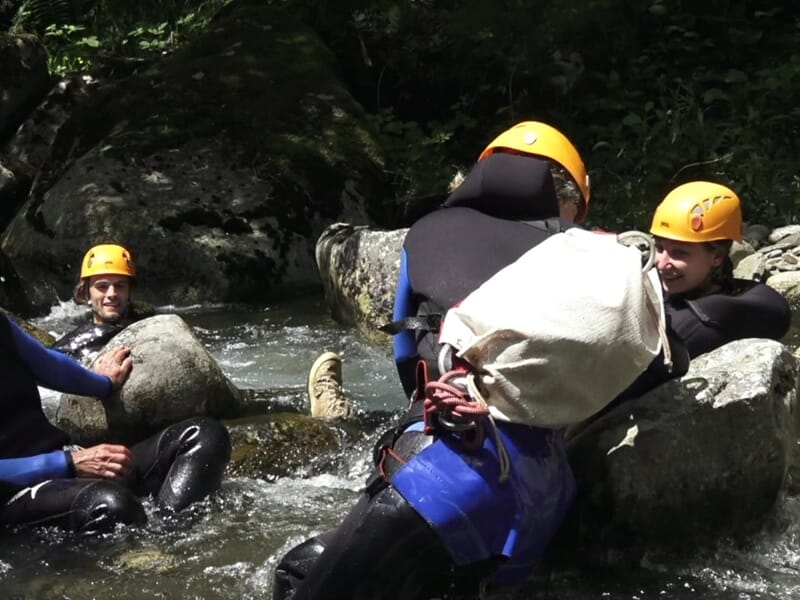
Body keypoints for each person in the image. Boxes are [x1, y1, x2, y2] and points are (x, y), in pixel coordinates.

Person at [273, 121, 684, 599]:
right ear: (567, 198)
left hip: (442, 469)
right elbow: (660, 358)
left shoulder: (427, 233)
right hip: (544, 495)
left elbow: (408, 354)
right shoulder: (594, 258)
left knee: (297, 571)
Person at [0, 312, 231, 534]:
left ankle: (170, 539)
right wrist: (69, 463)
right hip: (13, 493)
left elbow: (48, 364)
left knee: (204, 436)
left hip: (63, 463)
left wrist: (105, 383)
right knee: (111, 505)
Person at [650, 181, 791, 358]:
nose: (661, 264)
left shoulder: (712, 318)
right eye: (660, 248)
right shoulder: (646, 283)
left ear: (717, 257)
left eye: (679, 253)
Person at [53, 243, 152, 361]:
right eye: (102, 286)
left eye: (120, 286)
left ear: (130, 291)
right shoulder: (68, 348)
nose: (112, 294)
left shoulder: (151, 331)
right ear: (86, 293)